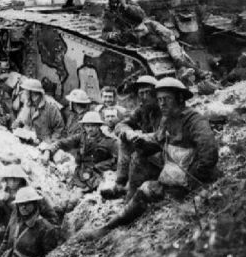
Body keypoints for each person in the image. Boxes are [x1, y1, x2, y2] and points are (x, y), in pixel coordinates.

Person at [78, 78, 219, 241]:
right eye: (159, 100)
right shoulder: (168, 119)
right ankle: (118, 213)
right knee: (140, 163)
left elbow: (209, 153)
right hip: (174, 170)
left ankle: (111, 225)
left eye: (166, 99)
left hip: (191, 178)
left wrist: (189, 182)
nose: (162, 104)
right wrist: (142, 141)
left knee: (147, 189)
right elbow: (158, 139)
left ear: (180, 99)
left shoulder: (194, 120)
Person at [102, 0, 195, 69]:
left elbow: (141, 15)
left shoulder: (129, 4)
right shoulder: (109, 13)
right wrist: (111, 35)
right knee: (161, 44)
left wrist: (126, 7)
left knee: (170, 37)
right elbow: (105, 33)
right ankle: (182, 65)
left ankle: (186, 64)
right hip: (138, 37)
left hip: (147, 27)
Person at [102, 75, 161, 200]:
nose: (143, 97)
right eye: (141, 93)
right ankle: (120, 184)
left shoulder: (164, 110)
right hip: (149, 148)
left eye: (147, 93)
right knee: (124, 140)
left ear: (156, 94)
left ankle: (131, 193)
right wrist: (129, 133)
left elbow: (163, 136)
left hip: (163, 153)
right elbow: (121, 125)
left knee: (137, 154)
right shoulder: (143, 110)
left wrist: (142, 136)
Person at [46, 111, 117, 193]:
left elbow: (119, 159)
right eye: (87, 126)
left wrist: (101, 166)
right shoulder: (81, 137)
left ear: (99, 126)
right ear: (84, 126)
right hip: (80, 173)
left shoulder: (108, 142)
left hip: (97, 177)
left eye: (93, 126)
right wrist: (48, 150)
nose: (90, 129)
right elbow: (62, 143)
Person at [0, 187, 61, 257]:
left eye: (27, 204)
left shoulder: (46, 229)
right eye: (20, 204)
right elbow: (6, 238)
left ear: (35, 204)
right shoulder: (15, 219)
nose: (23, 207)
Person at [0, 164, 60, 228]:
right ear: (5, 180)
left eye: (15, 178)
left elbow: (52, 219)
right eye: (9, 178)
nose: (12, 181)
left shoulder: (34, 195)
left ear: (21, 179)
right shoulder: (1, 198)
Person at [12, 78, 65, 144]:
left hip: (43, 142)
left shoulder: (51, 108)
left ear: (33, 94)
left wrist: (50, 142)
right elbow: (20, 118)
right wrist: (15, 126)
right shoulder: (28, 104)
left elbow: (59, 128)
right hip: (26, 138)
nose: (24, 94)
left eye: (26, 92)